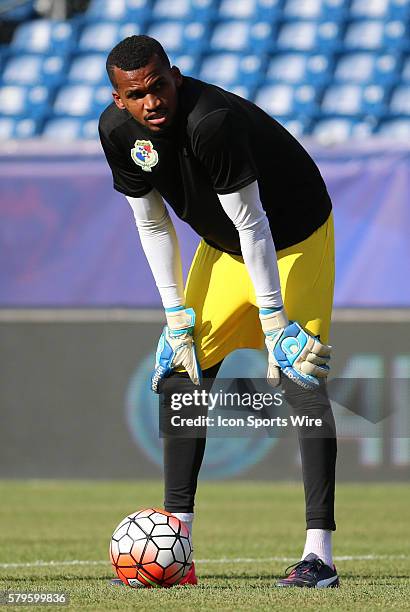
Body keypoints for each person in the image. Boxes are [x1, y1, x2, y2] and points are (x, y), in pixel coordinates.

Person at [99, 35, 338, 588]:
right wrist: (174, 312)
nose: (151, 101)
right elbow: (152, 222)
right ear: (118, 100)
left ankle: (319, 556)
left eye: (159, 86)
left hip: (293, 235)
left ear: (175, 77)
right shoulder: (117, 134)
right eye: (136, 94)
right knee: (181, 373)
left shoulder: (211, 121)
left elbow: (254, 222)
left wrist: (276, 322)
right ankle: (175, 541)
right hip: (226, 246)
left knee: (301, 376)